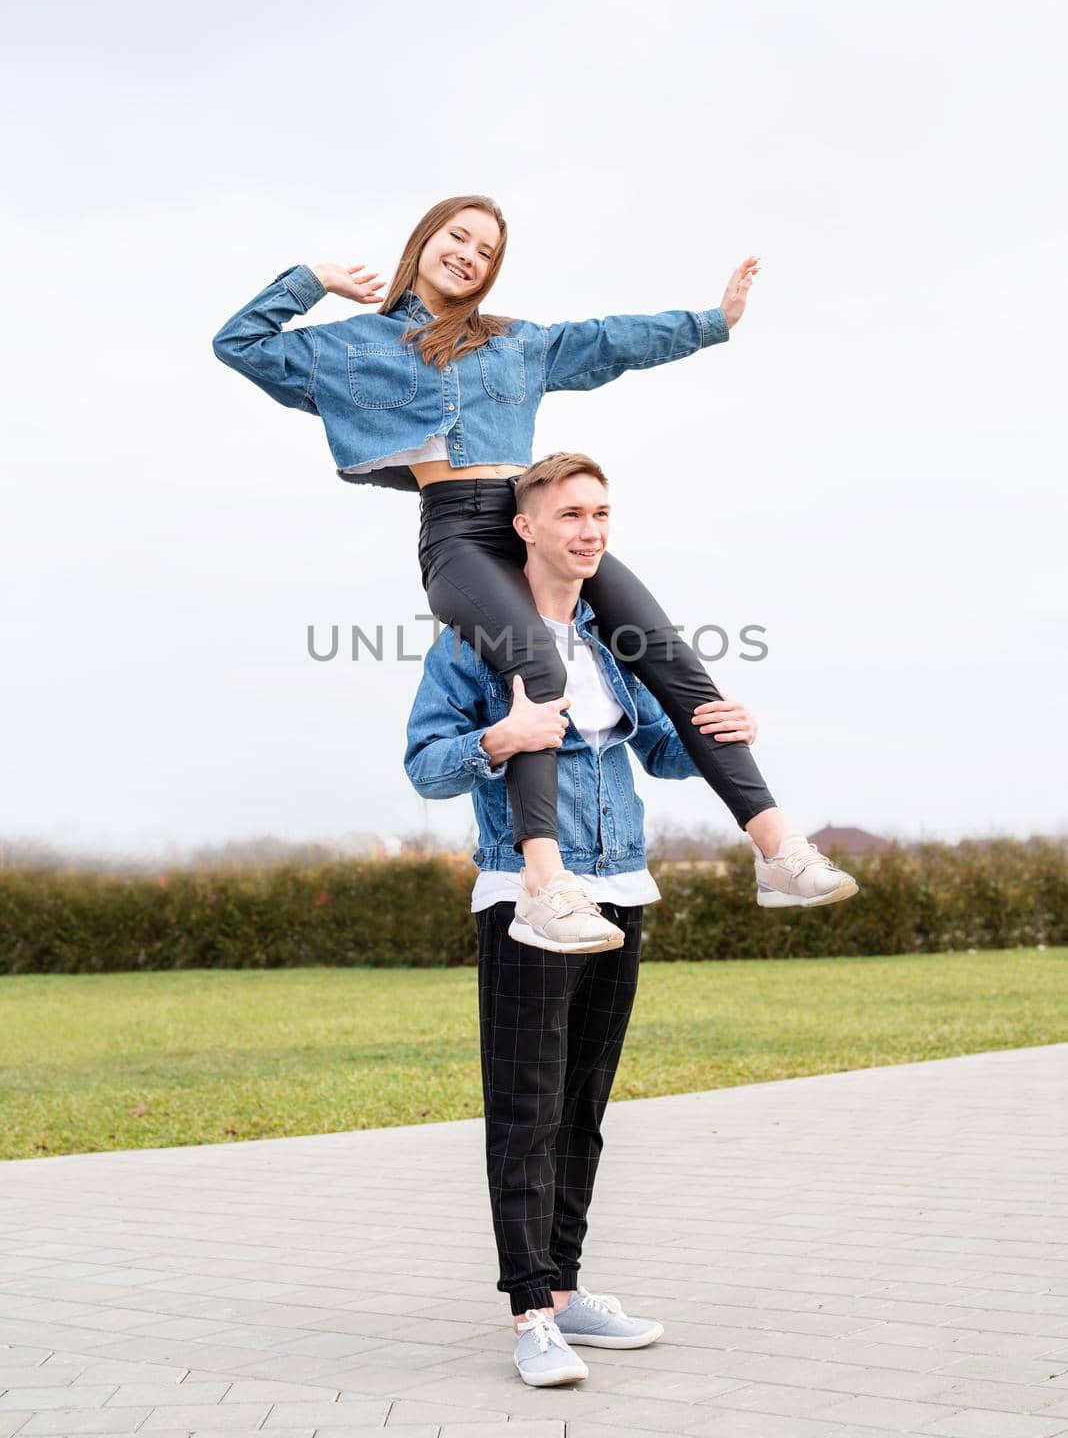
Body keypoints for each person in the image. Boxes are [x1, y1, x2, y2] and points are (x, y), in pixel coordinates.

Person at [213, 196, 858, 942]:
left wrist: (712, 323)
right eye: (459, 237)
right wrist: (314, 278)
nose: (469, 255)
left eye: (486, 251)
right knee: (537, 666)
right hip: (459, 537)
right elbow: (241, 344)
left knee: (669, 655)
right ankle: (546, 885)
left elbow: (608, 341)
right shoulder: (353, 344)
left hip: (535, 523)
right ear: (424, 240)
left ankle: (777, 850)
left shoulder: (514, 341)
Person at [403, 451, 771, 1386]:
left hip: (622, 886)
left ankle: (566, 1292)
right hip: (525, 897)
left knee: (582, 1111)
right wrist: (499, 738)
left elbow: (657, 750)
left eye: (601, 513)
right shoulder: (470, 641)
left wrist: (723, 728)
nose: (591, 529)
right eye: (570, 513)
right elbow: (424, 763)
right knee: (525, 1112)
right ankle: (530, 1314)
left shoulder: (614, 644)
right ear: (525, 527)